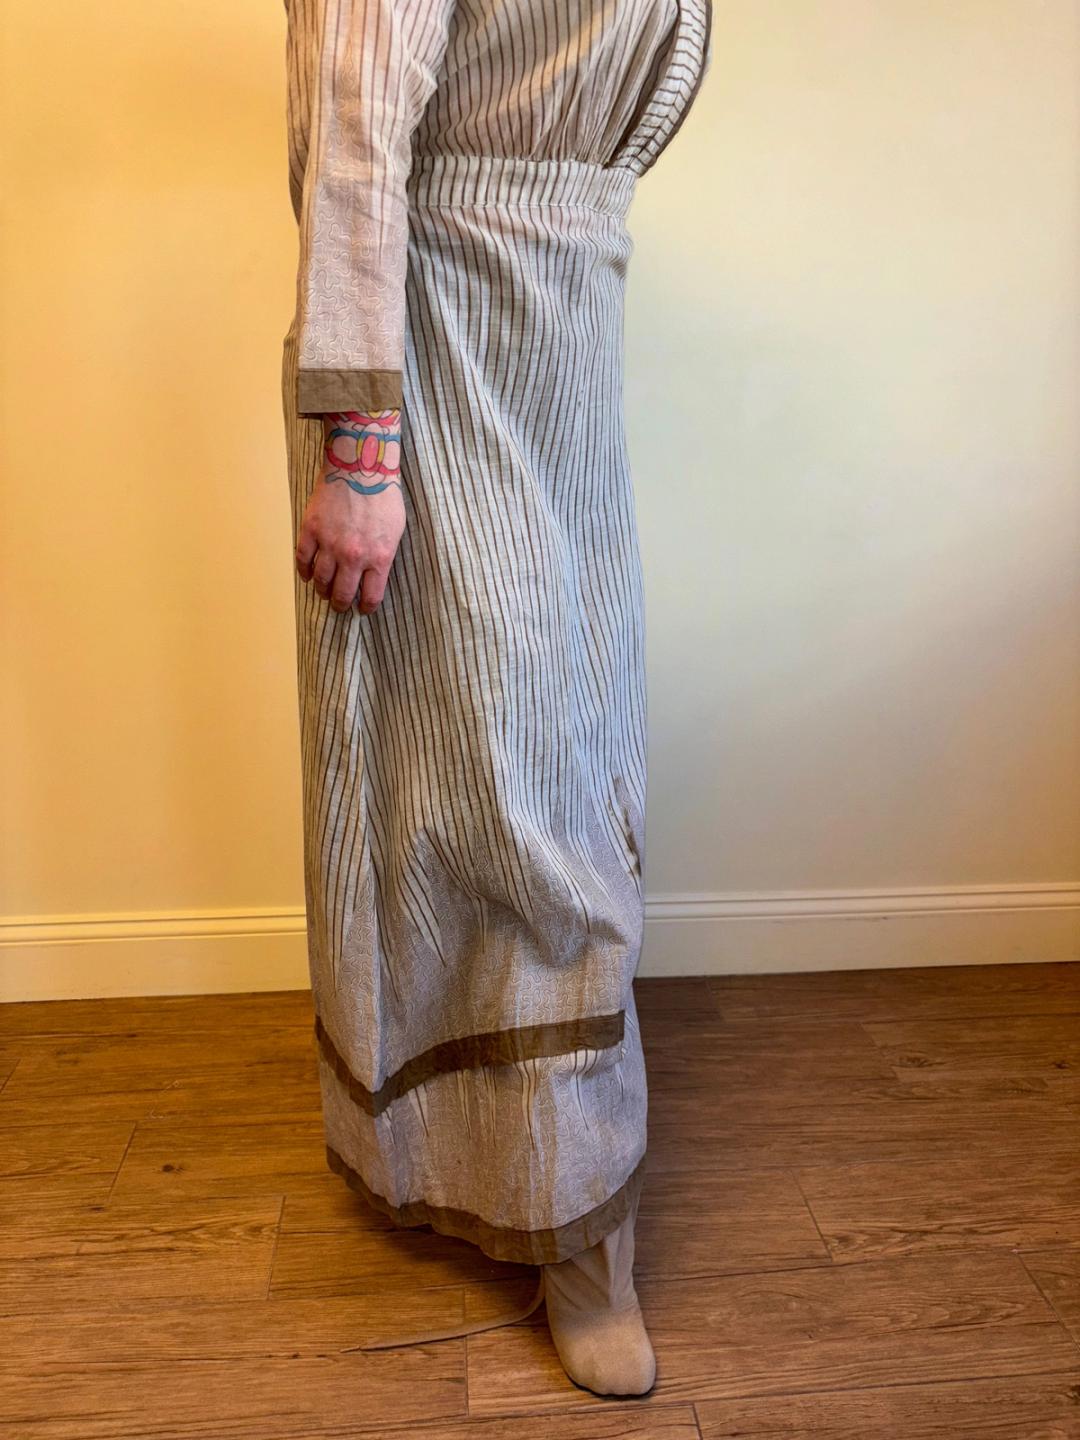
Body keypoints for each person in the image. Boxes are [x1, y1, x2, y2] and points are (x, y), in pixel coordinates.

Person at [280, 0, 712, 1398]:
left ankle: (509, 1163)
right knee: (501, 789)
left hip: (559, 331)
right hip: (440, 340)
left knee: (564, 757)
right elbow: (357, 110)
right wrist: (362, 441)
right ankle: (571, 1227)